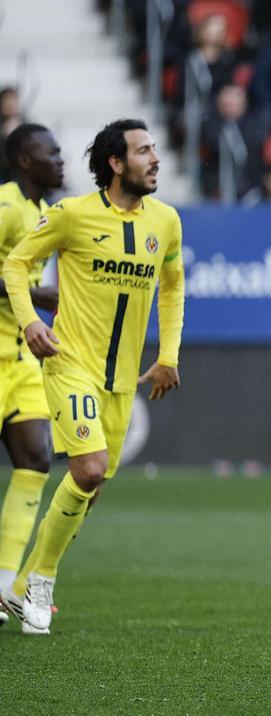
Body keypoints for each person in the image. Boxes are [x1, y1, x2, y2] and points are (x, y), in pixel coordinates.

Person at [0, 118, 185, 634]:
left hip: (122, 378)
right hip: (69, 362)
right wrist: (32, 321)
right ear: (116, 163)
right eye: (143, 151)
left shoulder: (166, 221)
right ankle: (41, 580)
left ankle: (13, 590)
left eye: (155, 148)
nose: (154, 159)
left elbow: (172, 288)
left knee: (93, 483)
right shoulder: (70, 215)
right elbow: (16, 266)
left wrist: (168, 354)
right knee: (87, 469)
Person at [0, 125, 64, 618]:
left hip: (23, 354)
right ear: (24, 160)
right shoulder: (5, 205)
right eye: (51, 152)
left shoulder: (46, 215)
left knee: (36, 459)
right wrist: (38, 297)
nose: (60, 160)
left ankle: (3, 586)